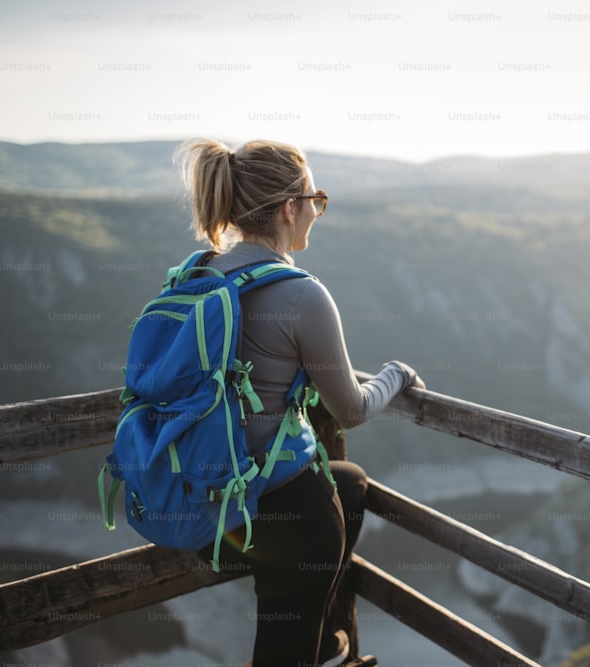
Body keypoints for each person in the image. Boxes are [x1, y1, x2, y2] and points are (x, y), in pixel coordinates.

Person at [177, 138, 423, 667]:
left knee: (351, 483)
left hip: (209, 502)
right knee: (281, 657)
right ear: (291, 208)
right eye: (317, 199)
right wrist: (396, 375)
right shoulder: (301, 294)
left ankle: (321, 643)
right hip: (283, 510)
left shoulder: (197, 277)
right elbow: (351, 410)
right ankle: (315, 647)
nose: (318, 210)